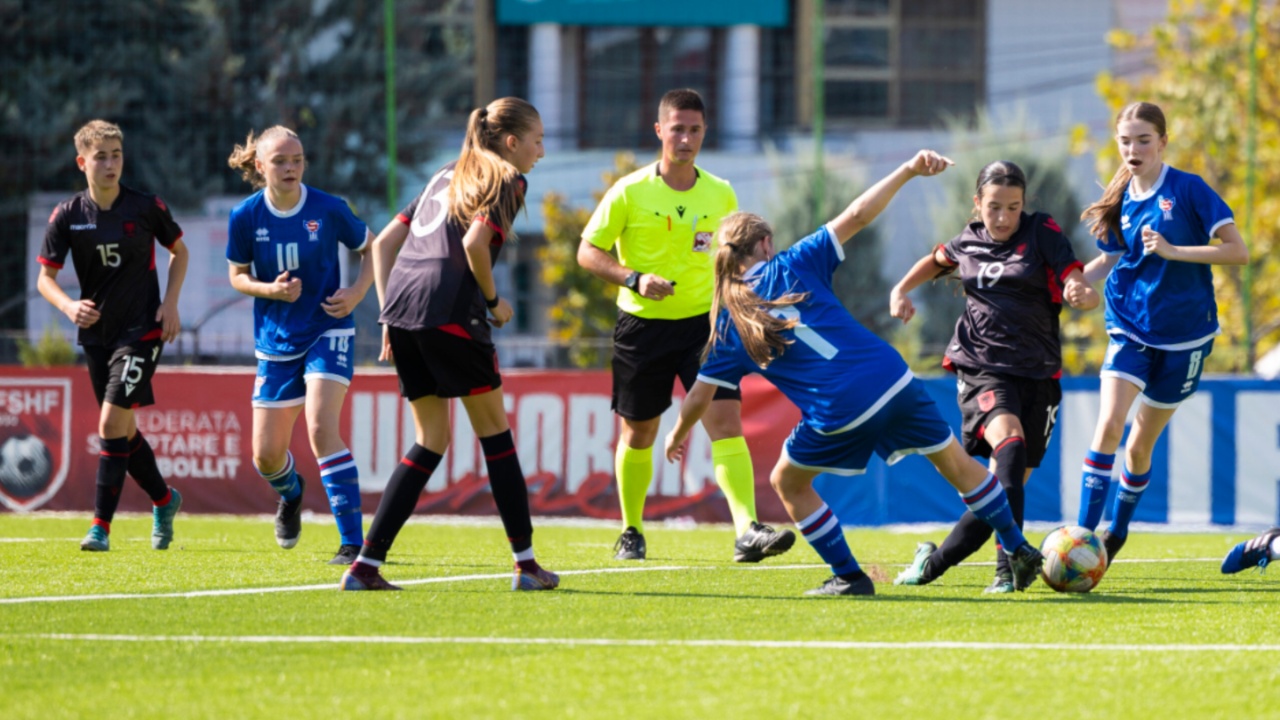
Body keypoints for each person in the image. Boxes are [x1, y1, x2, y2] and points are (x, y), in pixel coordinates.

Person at [665, 150, 1046, 596]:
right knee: (960, 468)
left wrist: (678, 433)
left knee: (787, 482)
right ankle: (1018, 548)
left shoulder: (729, 321)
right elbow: (858, 213)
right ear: (766, 244)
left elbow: (698, 397)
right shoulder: (795, 262)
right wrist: (906, 170)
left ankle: (849, 576)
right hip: (893, 377)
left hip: (839, 405)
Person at [340, 97, 559, 592]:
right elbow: (474, 244)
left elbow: (381, 245)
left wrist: (389, 316)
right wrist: (495, 300)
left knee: (430, 439)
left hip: (404, 309)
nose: (541, 152)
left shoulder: (447, 173)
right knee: (496, 437)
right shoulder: (506, 177)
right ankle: (526, 567)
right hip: (451, 310)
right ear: (510, 142)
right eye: (537, 140)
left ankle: (365, 566)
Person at [578, 88, 794, 562]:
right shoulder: (629, 190)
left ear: (704, 133)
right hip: (641, 327)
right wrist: (633, 278)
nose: (686, 138)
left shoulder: (721, 191)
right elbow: (586, 252)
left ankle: (746, 530)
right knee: (640, 432)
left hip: (705, 326)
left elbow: (733, 256)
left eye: (694, 129)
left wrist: (746, 306)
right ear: (660, 131)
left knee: (725, 421)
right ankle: (631, 530)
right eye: (677, 128)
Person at [888, 161, 1099, 593]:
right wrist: (900, 289)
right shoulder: (968, 239)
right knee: (1010, 443)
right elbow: (936, 260)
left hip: (1038, 374)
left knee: (1004, 488)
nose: (1003, 217)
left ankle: (932, 563)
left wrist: (1081, 290)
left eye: (1013, 207)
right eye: (994, 207)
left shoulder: (1042, 232)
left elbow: (1072, 275)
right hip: (982, 367)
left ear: (1025, 205)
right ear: (977, 203)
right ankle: (1008, 570)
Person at [1074, 102, 1247, 562]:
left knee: (1138, 445)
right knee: (1109, 425)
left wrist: (1175, 252)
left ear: (1163, 142)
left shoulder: (1189, 189)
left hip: (1185, 338)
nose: (1133, 149)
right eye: (1125, 140)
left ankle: (1119, 530)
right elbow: (1111, 259)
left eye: (1143, 139)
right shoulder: (1122, 197)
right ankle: (1081, 538)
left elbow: (1237, 252)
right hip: (1130, 328)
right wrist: (1072, 282)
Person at [37, 119, 188, 552]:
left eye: (116, 155)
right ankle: (164, 498)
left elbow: (180, 252)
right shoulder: (67, 215)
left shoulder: (145, 207)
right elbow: (44, 279)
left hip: (142, 330)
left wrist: (171, 303)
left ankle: (100, 527)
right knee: (121, 429)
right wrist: (68, 306)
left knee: (109, 423)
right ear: (82, 162)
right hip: (96, 336)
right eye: (100, 156)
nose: (110, 164)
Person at [226, 126, 374, 565]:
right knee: (266, 456)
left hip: (329, 328)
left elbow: (373, 247)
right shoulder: (246, 216)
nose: (291, 168)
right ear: (260, 166)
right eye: (280, 161)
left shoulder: (328, 208)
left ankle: (353, 545)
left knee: (319, 427)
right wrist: (270, 291)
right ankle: (291, 494)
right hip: (276, 339)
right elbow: (237, 276)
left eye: (297, 160)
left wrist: (358, 292)